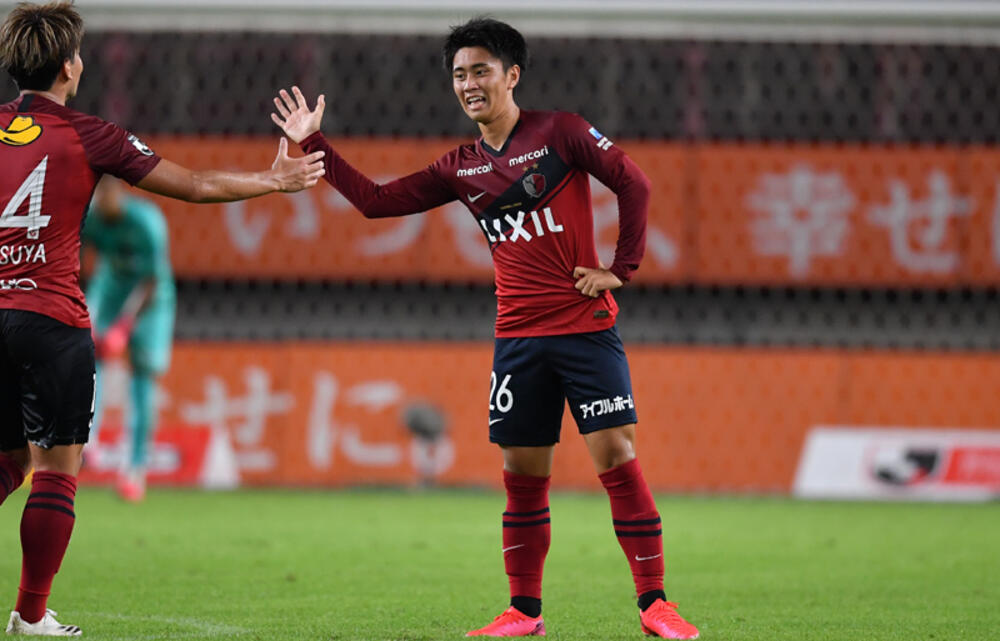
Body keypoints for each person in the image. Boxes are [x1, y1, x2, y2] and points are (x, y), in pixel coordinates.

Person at [271, 16, 699, 640]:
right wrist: (313, 143)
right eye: (459, 74)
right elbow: (376, 202)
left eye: (480, 71)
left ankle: (655, 604)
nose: (469, 84)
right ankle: (524, 611)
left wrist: (620, 269)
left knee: (617, 456)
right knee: (523, 476)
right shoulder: (460, 167)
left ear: (512, 75)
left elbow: (635, 182)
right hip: (517, 339)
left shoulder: (561, 132)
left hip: (583, 328)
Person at [0, 2, 323, 636]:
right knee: (55, 469)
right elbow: (196, 185)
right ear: (69, 66)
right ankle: (31, 615)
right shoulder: (91, 134)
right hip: (51, 318)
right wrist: (273, 180)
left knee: (11, 455)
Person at [82, 176, 176, 503]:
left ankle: (135, 469)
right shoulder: (91, 219)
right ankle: (87, 439)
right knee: (86, 354)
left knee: (142, 377)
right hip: (111, 290)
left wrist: (123, 327)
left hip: (150, 302)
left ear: (117, 192)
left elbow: (152, 281)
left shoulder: (147, 223)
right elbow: (78, 259)